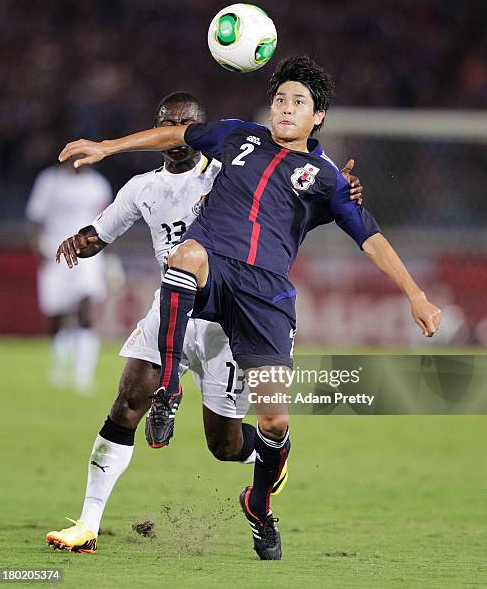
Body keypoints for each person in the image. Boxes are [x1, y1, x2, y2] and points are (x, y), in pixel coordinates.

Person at [59, 56, 438, 561]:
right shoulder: (239, 137)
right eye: (280, 99)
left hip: (265, 295)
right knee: (186, 255)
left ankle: (258, 505)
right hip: (213, 263)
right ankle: (168, 387)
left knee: (273, 423)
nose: (285, 108)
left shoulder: (327, 180)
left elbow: (369, 237)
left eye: (298, 103)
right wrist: (108, 146)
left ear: (318, 116)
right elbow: (177, 136)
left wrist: (415, 294)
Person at [26, 160, 112, 393]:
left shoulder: (98, 185)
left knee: (86, 308)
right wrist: (37, 248)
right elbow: (35, 218)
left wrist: (109, 257)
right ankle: (59, 368)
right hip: (53, 253)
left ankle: (83, 376)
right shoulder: (49, 181)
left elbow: (109, 223)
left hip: (87, 257)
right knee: (57, 313)